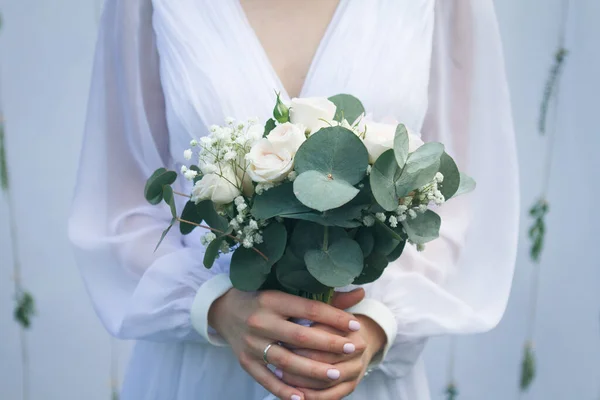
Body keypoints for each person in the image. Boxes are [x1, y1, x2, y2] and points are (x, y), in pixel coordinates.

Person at [68, 0, 519, 399]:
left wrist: (378, 322)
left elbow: (455, 192)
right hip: (201, 369)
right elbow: (121, 197)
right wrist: (214, 305)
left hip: (355, 368)